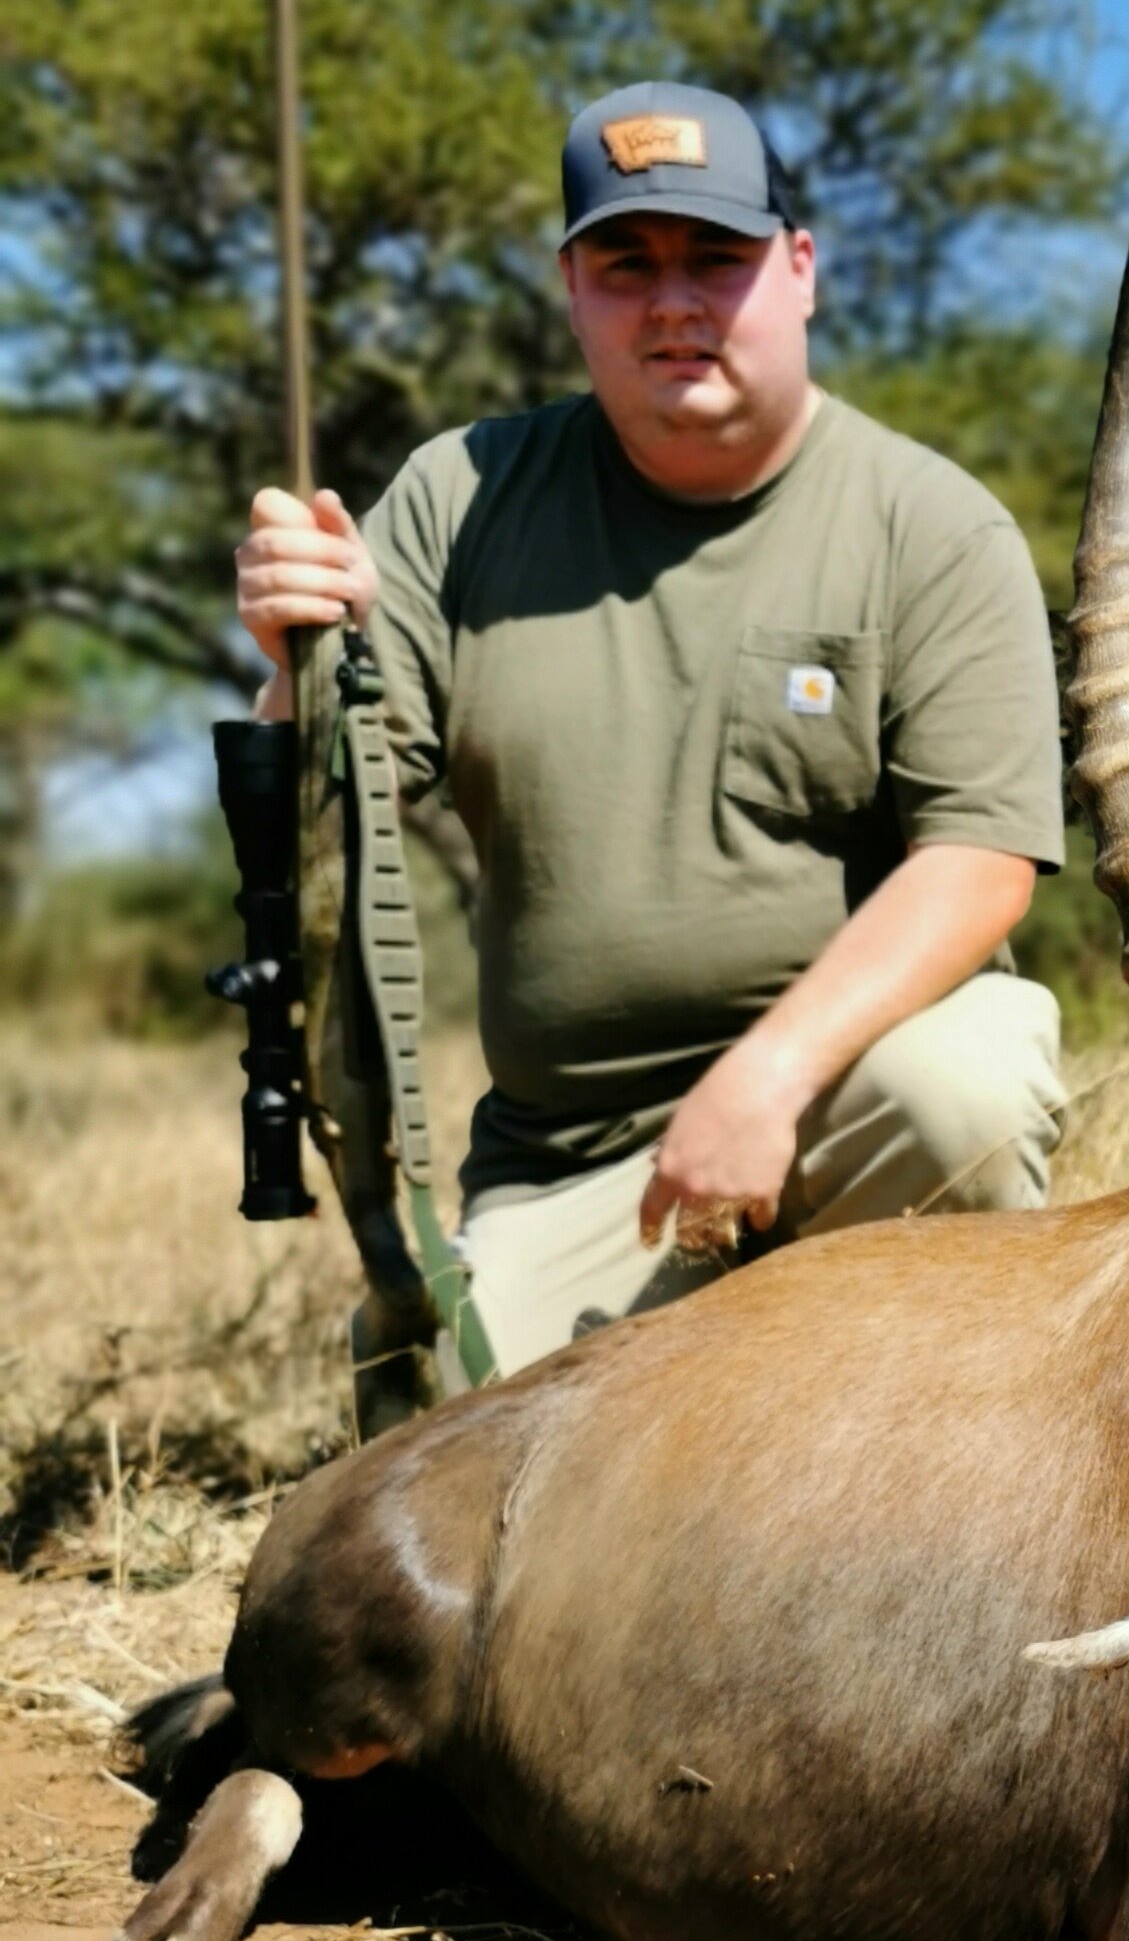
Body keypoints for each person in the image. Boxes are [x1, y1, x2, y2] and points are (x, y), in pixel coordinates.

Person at [234, 80, 1069, 1370]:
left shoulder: (935, 526)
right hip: (576, 1170)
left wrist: (767, 1078)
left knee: (962, 1090)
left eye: (717, 258)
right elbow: (322, 839)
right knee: (438, 1462)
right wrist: (296, 661)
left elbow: (982, 864)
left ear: (799, 270)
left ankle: (911, 1414)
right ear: (573, 290)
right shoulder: (456, 498)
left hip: (842, 1108)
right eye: (626, 264)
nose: (674, 300)